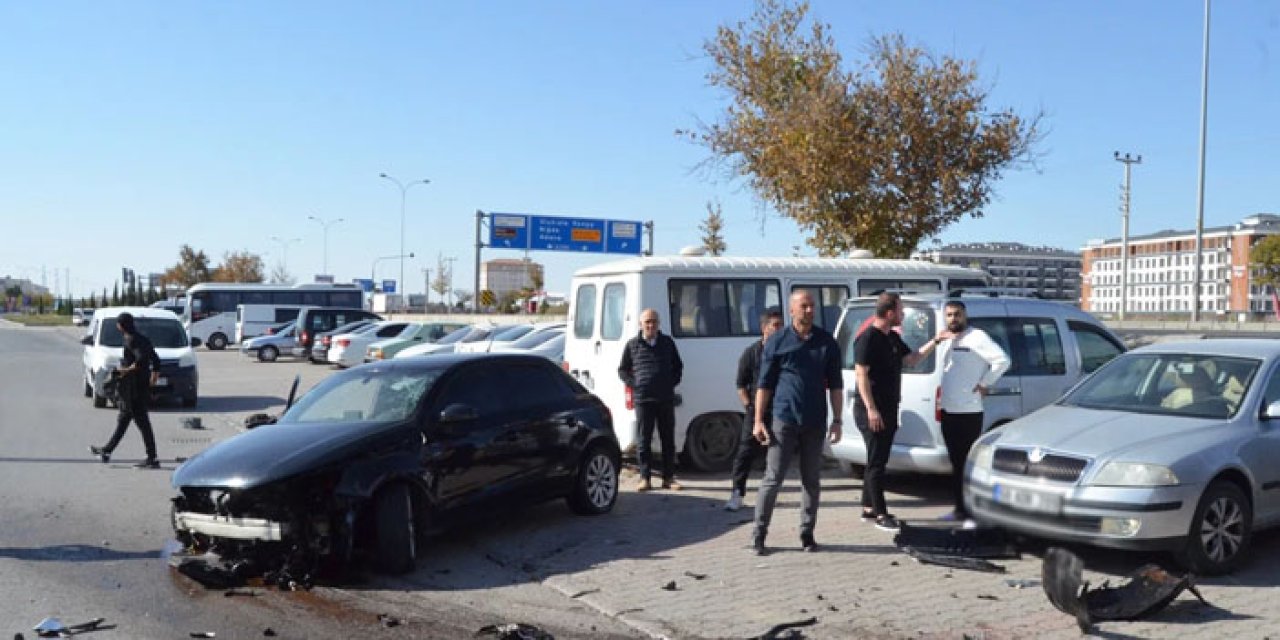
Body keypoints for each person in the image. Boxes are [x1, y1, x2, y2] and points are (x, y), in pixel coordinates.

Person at [750, 291, 842, 555]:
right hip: (784, 419)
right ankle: (759, 533)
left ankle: (807, 533)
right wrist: (758, 420)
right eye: (804, 306)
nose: (810, 310)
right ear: (792, 310)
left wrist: (837, 420)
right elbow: (764, 385)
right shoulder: (777, 341)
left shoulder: (826, 343)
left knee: (811, 480)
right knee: (773, 478)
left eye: (812, 306)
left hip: (814, 421)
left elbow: (835, 385)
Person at [853, 293, 947, 532]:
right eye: (900, 311)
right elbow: (861, 375)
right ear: (889, 313)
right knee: (877, 463)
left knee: (877, 459)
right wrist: (872, 409)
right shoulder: (867, 339)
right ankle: (881, 515)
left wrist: (936, 340)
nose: (903, 315)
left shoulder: (892, 338)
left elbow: (912, 359)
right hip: (872, 411)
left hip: (889, 408)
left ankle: (868, 508)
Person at [936, 300, 1009, 526]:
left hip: (968, 411)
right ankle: (960, 509)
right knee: (955, 464)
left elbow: (1002, 360)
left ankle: (972, 511)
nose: (953, 319)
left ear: (965, 316)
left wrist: (985, 383)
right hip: (948, 409)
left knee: (967, 464)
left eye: (957, 314)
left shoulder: (977, 336)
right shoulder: (945, 339)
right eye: (949, 315)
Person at [724, 309, 784, 511]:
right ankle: (737, 493)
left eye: (781, 326)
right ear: (764, 328)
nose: (779, 330)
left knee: (778, 453)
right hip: (756, 410)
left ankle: (770, 495)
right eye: (775, 326)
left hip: (780, 409)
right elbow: (741, 384)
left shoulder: (786, 352)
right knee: (745, 452)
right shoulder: (751, 353)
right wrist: (751, 407)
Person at [618, 308, 684, 492]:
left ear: (658, 324)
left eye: (653, 321)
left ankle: (668, 478)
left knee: (668, 440)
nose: (650, 325)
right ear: (641, 324)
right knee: (643, 440)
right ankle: (645, 478)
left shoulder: (667, 343)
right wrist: (635, 384)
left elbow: (678, 366)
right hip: (643, 400)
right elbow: (622, 370)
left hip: (665, 399)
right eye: (647, 322)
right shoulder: (633, 345)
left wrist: (670, 382)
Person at [90, 312, 162, 468]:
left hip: (134, 388)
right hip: (139, 386)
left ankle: (152, 458)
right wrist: (153, 379)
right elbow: (156, 360)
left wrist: (124, 371)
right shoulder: (142, 339)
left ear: (121, 326)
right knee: (124, 419)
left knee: (141, 422)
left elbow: (141, 360)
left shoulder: (131, 340)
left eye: (118, 324)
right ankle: (107, 451)